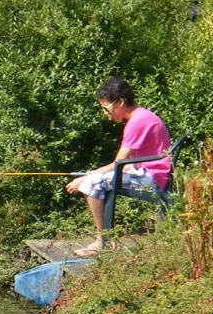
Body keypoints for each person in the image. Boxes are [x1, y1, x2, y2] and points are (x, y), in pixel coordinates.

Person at [65, 76, 172, 257]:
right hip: (152, 171)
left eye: (106, 108)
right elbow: (126, 164)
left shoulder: (137, 122)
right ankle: (105, 239)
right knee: (95, 179)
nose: (106, 113)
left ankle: (102, 241)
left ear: (120, 102)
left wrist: (85, 178)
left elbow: (118, 164)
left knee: (92, 184)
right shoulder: (142, 116)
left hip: (153, 178)